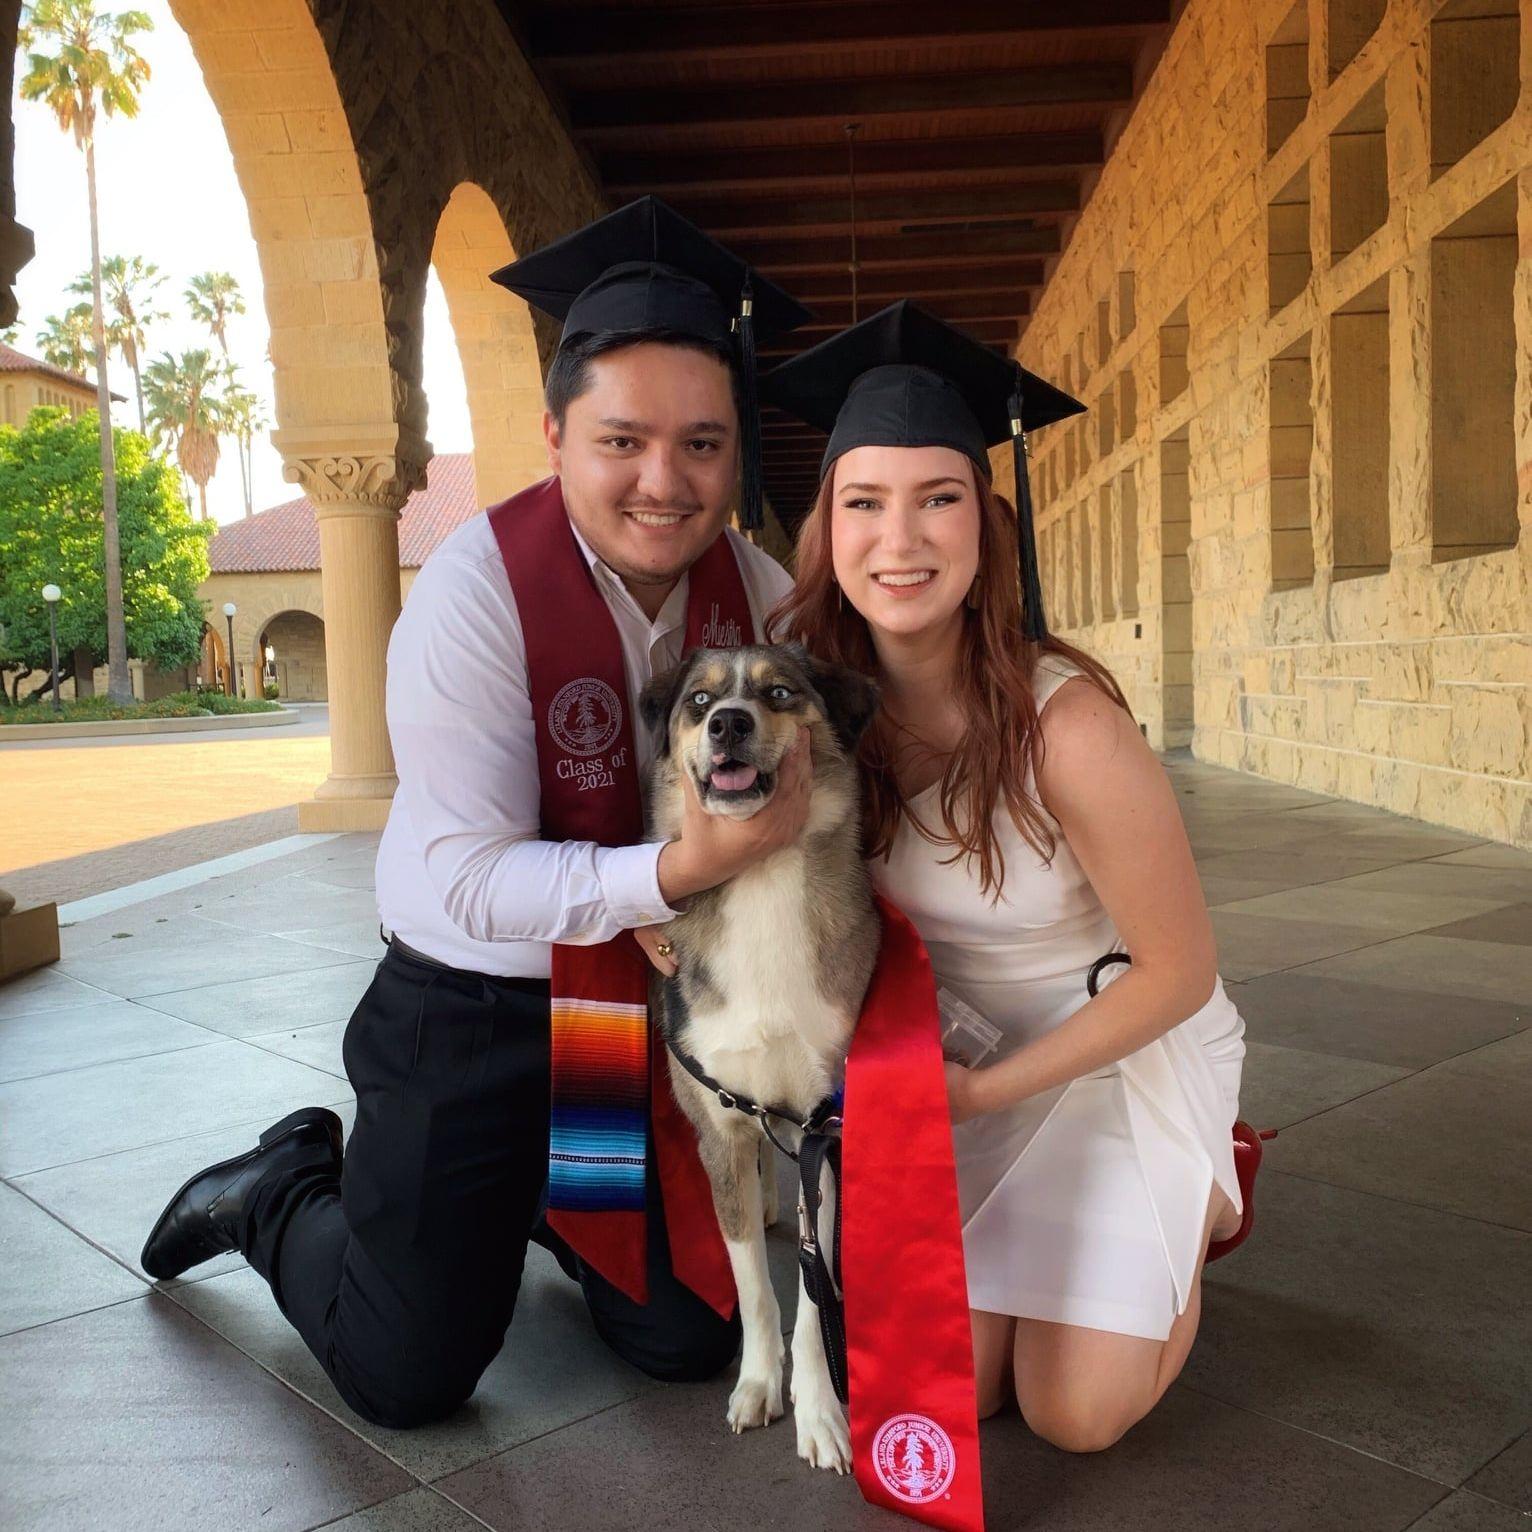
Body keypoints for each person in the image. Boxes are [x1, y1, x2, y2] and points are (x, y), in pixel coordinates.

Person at [139, 198, 816, 1429]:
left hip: (641, 1015)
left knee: (691, 1337)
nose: (665, 482)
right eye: (623, 439)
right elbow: (461, 877)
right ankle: (280, 1184)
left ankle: (559, 1197)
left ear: (736, 451)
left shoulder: (756, 590)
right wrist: (673, 872)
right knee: (404, 1375)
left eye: (703, 444)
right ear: (555, 434)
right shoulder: (472, 590)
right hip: (476, 1007)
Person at [764, 301, 1267, 1454]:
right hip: (950, 1059)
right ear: (825, 528)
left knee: (1071, 1412)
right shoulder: (812, 709)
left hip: (1105, 1049)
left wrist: (980, 1097)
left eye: (937, 498)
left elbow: (1180, 970)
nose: (901, 539)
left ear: (986, 526)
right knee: (965, 1390)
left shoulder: (1066, 725)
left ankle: (1197, 1189)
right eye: (863, 502)